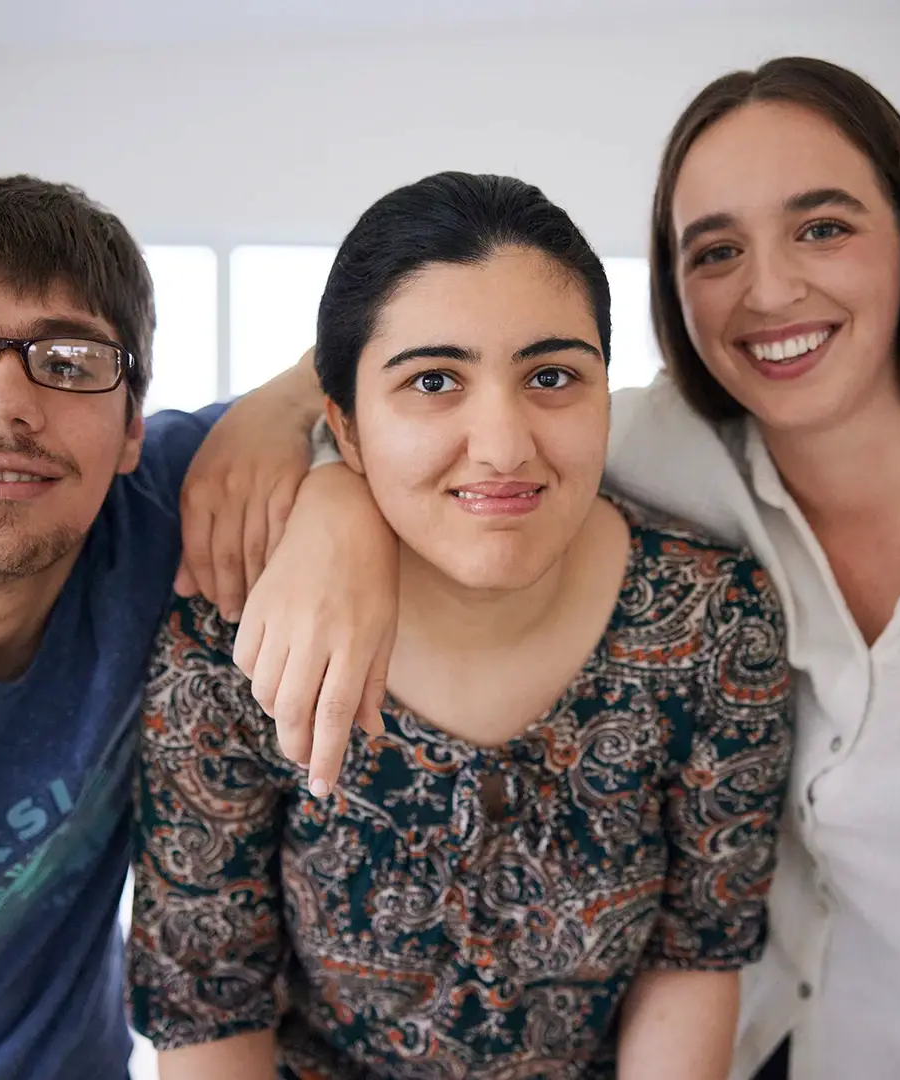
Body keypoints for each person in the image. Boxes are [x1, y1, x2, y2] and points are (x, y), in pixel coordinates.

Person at [244, 56, 900, 1080]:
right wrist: (333, 493)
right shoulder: (651, 438)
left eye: (823, 227)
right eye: (715, 250)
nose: (771, 287)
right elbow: (429, 383)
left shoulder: (676, 554)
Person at [129, 171, 793, 1080]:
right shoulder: (233, 641)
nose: (504, 444)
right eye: (435, 381)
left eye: (552, 377)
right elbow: (210, 999)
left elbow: (695, 954)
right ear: (346, 429)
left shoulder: (718, 623)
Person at [0, 173, 392, 1079]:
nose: (3, 404)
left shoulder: (168, 508)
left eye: (67, 363)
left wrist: (334, 484)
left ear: (133, 426)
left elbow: (399, 349)